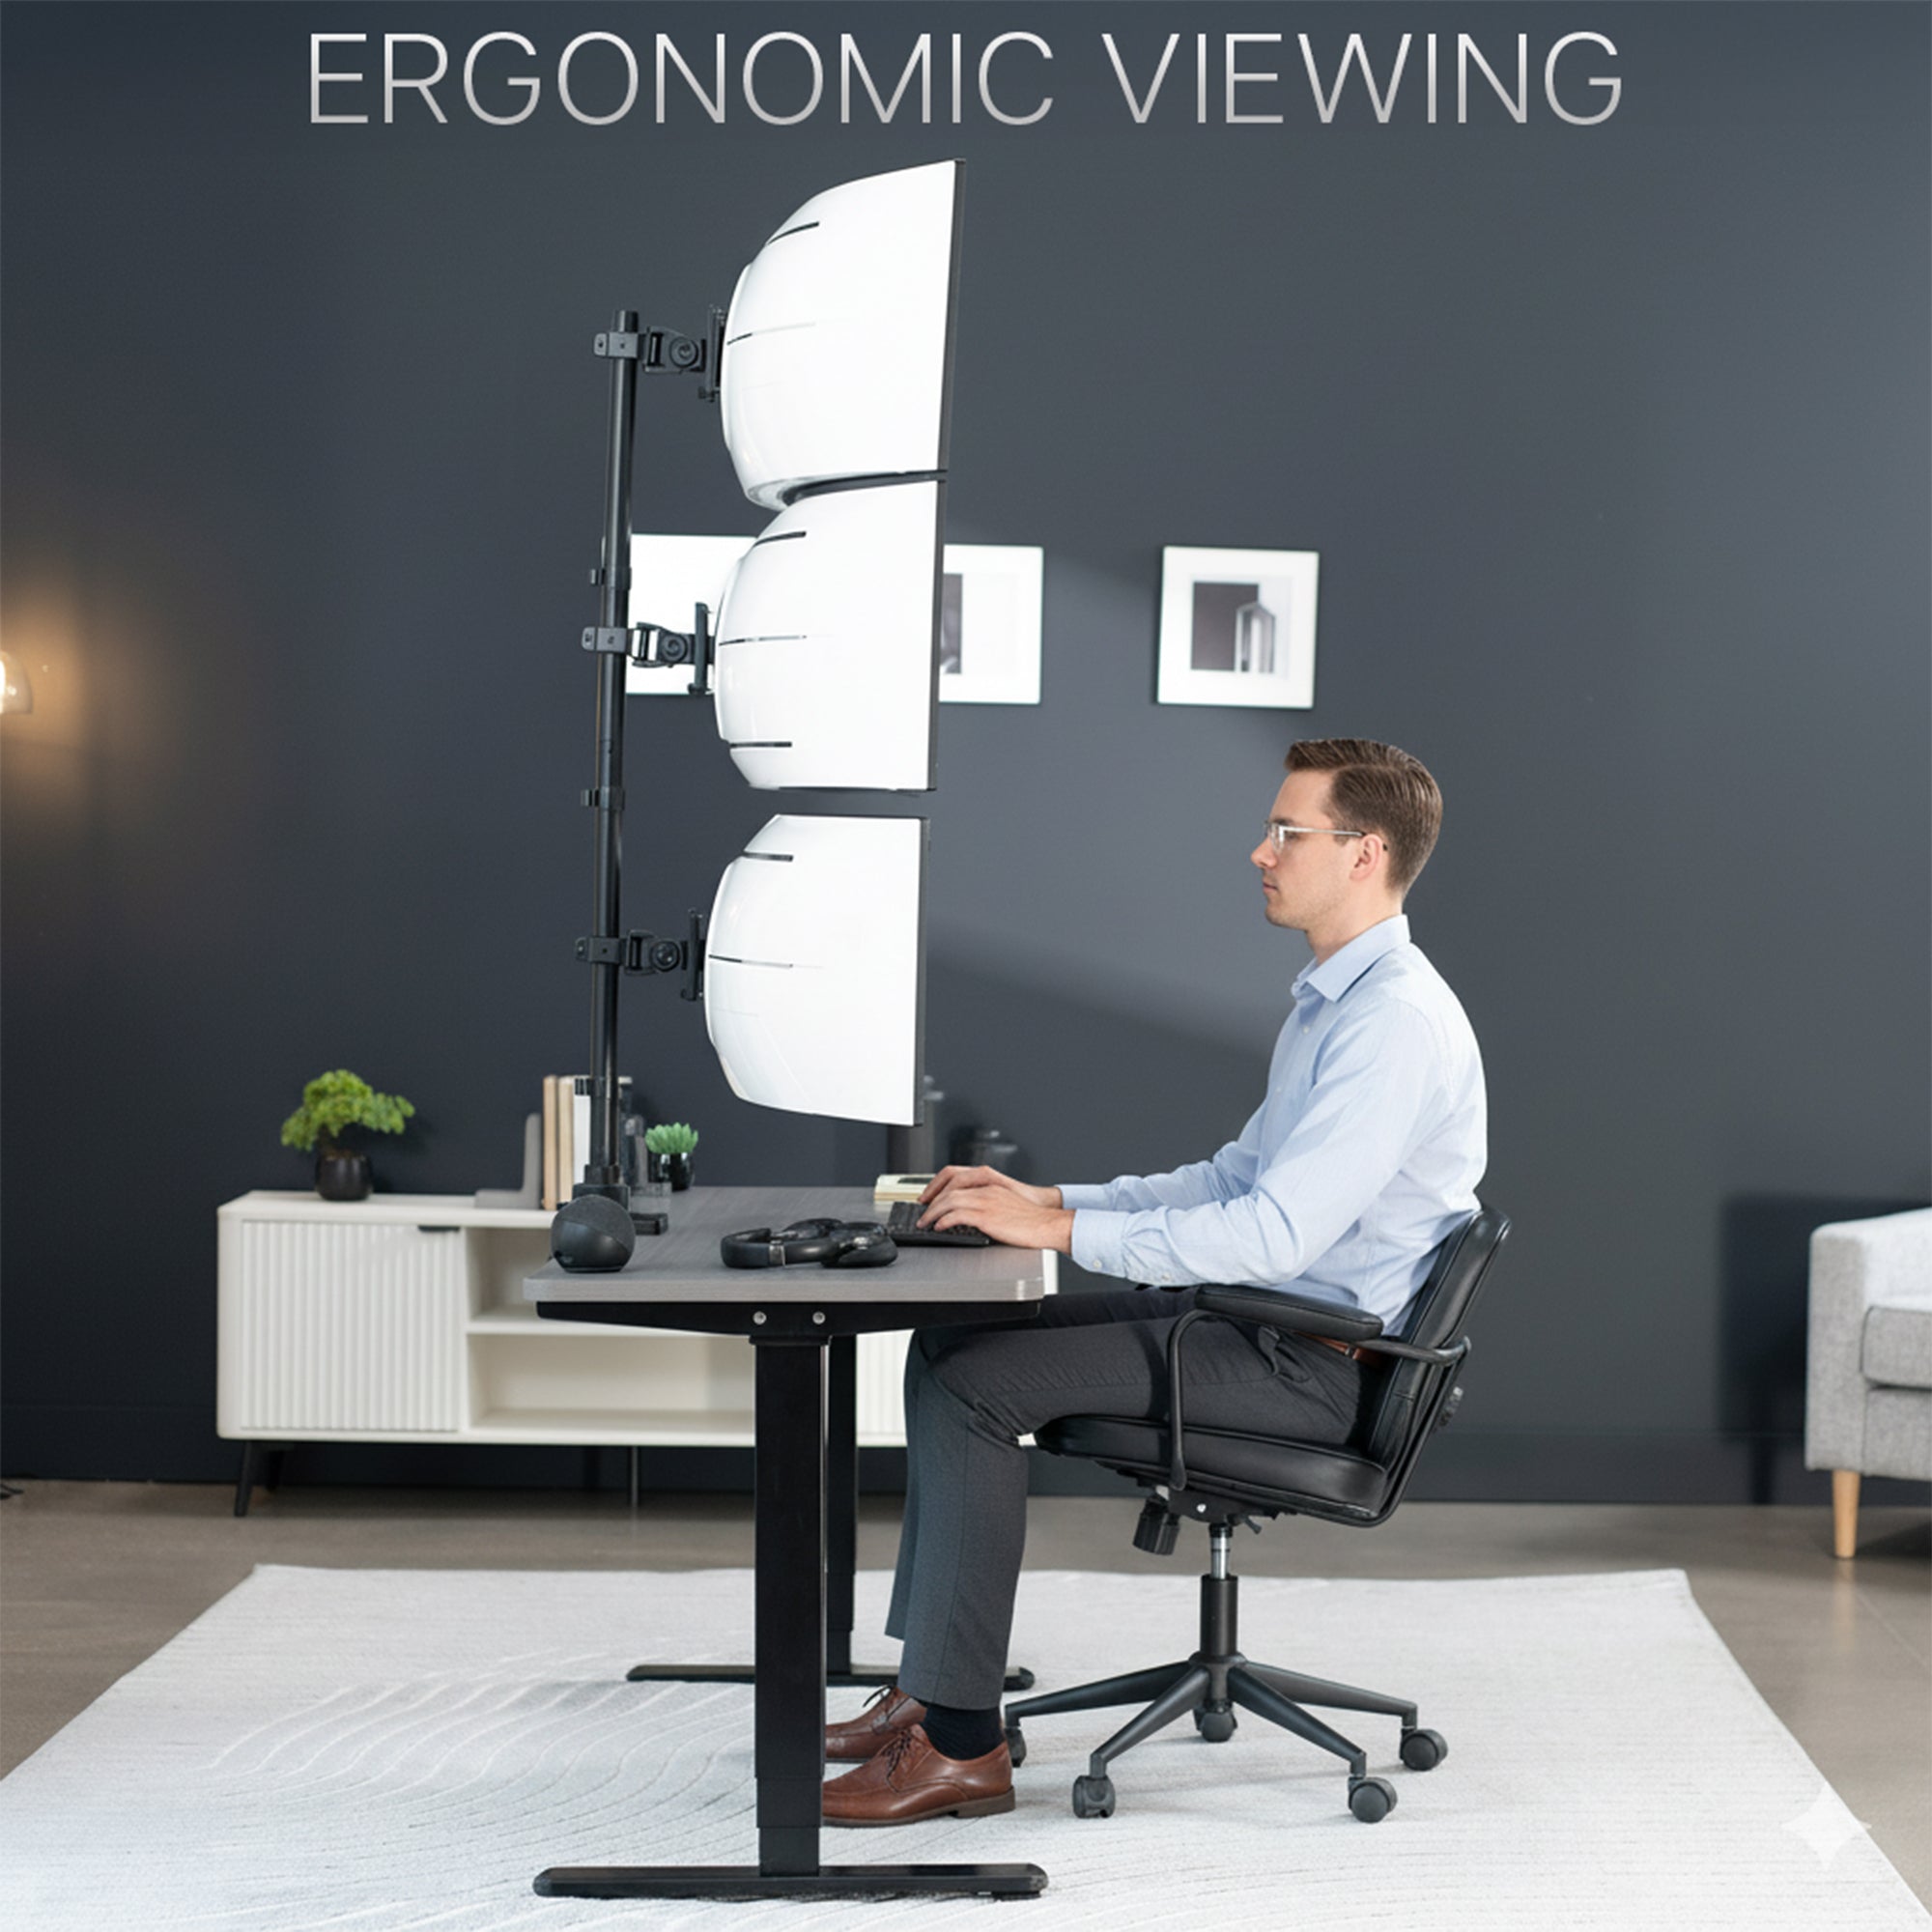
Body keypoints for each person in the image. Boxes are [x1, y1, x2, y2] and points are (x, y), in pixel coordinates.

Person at [820, 737, 1487, 1827]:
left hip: (1305, 1362)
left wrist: (1067, 1226)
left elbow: (1270, 1230)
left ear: (1362, 853)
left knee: (973, 1384)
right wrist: (1043, 1201)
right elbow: (1231, 1175)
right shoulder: (1337, 1002)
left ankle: (957, 1747)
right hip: (1264, 1325)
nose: (1258, 851)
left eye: (1287, 831)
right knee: (948, 1347)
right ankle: (930, 1687)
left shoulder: (1392, 1025)